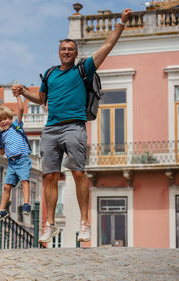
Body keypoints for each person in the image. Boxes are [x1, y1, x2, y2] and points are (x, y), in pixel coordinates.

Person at [12, 9, 132, 243]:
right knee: (50, 176)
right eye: (63, 49)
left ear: (75, 53)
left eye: (70, 49)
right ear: (59, 53)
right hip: (50, 129)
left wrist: (121, 23)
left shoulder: (83, 68)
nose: (67, 52)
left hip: (74, 127)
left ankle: (84, 223)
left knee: (78, 173)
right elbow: (41, 99)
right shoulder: (49, 74)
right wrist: (24, 92)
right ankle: (49, 224)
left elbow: (107, 46)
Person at [0, 95, 32, 223]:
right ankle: (2, 211)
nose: (3, 122)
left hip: (23, 159)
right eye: (0, 121)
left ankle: (26, 204)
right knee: (7, 186)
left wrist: (18, 96)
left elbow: (21, 109)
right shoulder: (1, 135)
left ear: (10, 118)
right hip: (11, 163)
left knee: (25, 180)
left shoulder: (16, 126)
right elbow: (2, 152)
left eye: (5, 119)